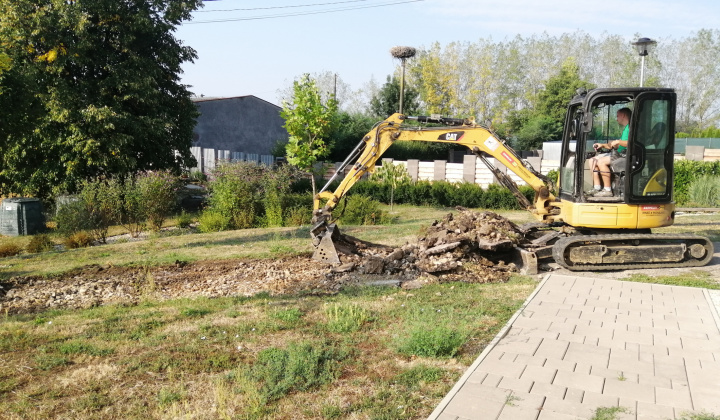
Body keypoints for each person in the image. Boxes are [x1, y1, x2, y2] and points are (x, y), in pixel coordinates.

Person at [587, 107, 631, 197]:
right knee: (592, 160)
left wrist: (618, 142)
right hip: (618, 153)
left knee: (601, 161)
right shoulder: (626, 129)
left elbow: (632, 142)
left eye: (618, 116)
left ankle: (607, 190)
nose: (616, 118)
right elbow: (615, 144)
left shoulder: (631, 127)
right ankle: (597, 187)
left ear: (623, 115)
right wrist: (602, 145)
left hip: (624, 155)